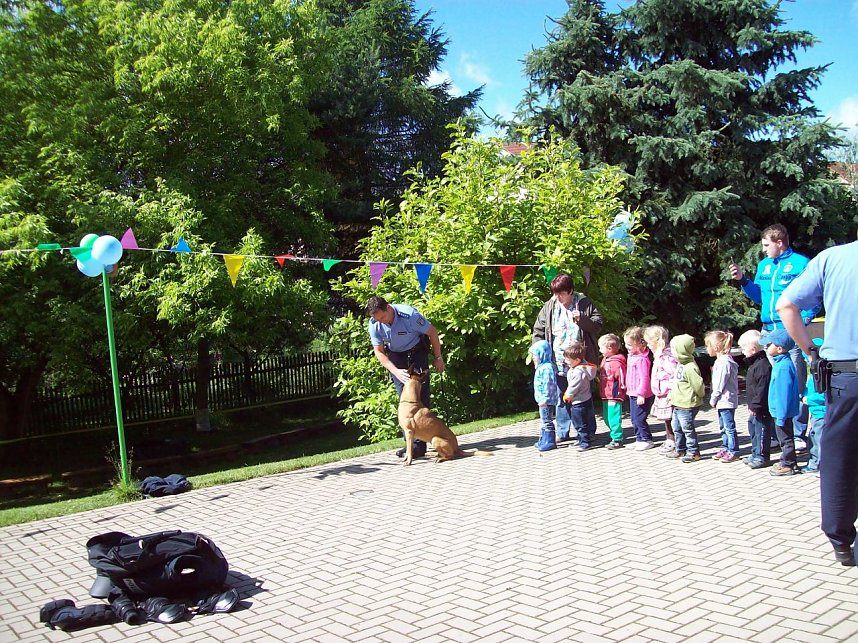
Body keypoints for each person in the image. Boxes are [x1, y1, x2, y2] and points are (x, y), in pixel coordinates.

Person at [777, 237, 858, 566]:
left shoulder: (832, 259)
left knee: (838, 457)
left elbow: (785, 305)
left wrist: (811, 350)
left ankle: (840, 539)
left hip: (845, 375)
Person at [729, 223, 817, 435]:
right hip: (768, 330)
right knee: (772, 382)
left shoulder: (801, 264)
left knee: (793, 382)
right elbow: (759, 296)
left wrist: (801, 321)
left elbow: (814, 298)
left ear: (780, 243)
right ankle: (777, 433)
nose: (763, 249)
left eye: (767, 245)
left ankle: (796, 435)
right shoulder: (764, 265)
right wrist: (743, 280)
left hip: (790, 331)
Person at [367, 296, 444, 459]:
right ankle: (412, 446)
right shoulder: (374, 324)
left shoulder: (409, 315)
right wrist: (395, 371)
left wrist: (438, 358)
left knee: (420, 398)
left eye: (382, 317)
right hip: (396, 356)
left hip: (417, 352)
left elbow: (432, 332)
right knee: (404, 400)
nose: (381, 321)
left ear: (388, 308)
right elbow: (379, 352)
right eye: (376, 319)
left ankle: (423, 441)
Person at [532, 273, 604, 441]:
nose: (558, 297)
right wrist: (538, 352)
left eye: (561, 293)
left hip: (581, 362)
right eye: (555, 293)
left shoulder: (584, 303)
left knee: (583, 397)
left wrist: (582, 319)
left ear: (570, 291)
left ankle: (587, 432)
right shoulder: (549, 306)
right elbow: (538, 331)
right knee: (561, 397)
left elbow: (598, 325)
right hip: (557, 360)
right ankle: (563, 433)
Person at [759, 329, 800, 477]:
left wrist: (781, 415)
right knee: (785, 437)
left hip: (782, 411)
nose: (766, 346)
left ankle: (788, 464)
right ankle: (788, 460)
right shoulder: (780, 362)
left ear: (780, 348)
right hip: (779, 410)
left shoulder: (783, 367)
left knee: (785, 439)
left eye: (769, 344)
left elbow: (783, 393)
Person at [737, 329, 774, 469]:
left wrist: (756, 405)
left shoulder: (763, 366)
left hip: (761, 408)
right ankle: (755, 452)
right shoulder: (754, 364)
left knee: (762, 431)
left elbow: (762, 389)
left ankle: (762, 456)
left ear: (753, 349)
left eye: (743, 348)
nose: (742, 351)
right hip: (754, 406)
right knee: (753, 429)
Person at [667, 334, 704, 463]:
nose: (672, 352)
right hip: (677, 403)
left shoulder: (690, 367)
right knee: (676, 428)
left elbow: (698, 385)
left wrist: (699, 396)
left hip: (687, 405)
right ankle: (680, 448)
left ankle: (693, 451)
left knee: (687, 429)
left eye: (673, 350)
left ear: (682, 351)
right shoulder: (680, 364)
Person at [706, 331, 740, 463]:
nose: (707, 349)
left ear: (715, 347)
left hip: (726, 400)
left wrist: (713, 397)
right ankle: (725, 447)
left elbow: (720, 383)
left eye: (708, 345)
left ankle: (733, 450)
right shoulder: (720, 361)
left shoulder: (724, 362)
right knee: (723, 426)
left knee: (729, 426)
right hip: (722, 401)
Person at [643, 325, 678, 455]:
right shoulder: (659, 355)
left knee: (671, 419)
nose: (647, 345)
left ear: (656, 341)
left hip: (668, 393)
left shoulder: (667, 357)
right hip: (662, 393)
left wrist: (670, 389)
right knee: (666, 419)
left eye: (649, 342)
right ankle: (669, 439)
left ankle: (673, 441)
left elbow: (674, 375)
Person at [562, 341, 598, 451]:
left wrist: (568, 395)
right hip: (586, 399)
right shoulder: (584, 366)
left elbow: (574, 386)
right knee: (587, 419)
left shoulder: (578, 372)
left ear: (577, 360)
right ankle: (586, 437)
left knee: (580, 422)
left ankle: (584, 442)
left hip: (578, 402)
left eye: (568, 360)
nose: (566, 361)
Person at [624, 326, 655, 451]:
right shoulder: (632, 356)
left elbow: (644, 378)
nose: (627, 347)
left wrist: (641, 393)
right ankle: (639, 439)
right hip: (632, 392)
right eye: (626, 344)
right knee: (633, 418)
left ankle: (647, 439)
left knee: (639, 418)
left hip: (641, 394)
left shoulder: (642, 359)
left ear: (640, 344)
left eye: (630, 345)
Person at [598, 334, 627, 450]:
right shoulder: (605, 360)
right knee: (606, 417)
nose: (600, 350)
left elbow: (621, 377)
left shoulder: (617, 362)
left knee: (613, 417)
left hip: (614, 394)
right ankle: (613, 434)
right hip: (605, 393)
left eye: (601, 347)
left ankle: (617, 439)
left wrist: (622, 389)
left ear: (609, 349)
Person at [801, 338, 826, 475]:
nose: (806, 362)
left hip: (821, 412)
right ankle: (815, 462)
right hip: (814, 412)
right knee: (813, 438)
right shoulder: (813, 374)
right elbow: (809, 388)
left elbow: (821, 395)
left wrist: (809, 399)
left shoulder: (820, 374)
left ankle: (822, 466)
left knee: (819, 440)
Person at [529, 340, 558, 452]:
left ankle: (550, 441)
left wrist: (545, 399)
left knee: (547, 420)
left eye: (535, 355)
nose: (533, 358)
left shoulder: (547, 368)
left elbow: (548, 384)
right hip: (542, 400)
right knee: (544, 420)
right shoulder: (541, 367)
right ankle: (543, 439)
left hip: (546, 401)